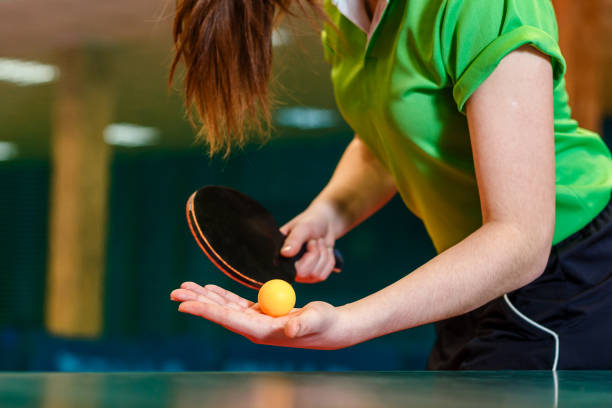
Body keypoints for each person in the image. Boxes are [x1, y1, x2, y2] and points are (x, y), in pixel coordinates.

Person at [168, 0, 612, 369]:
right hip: (469, 278)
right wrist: (327, 215)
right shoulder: (344, 16)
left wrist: (348, 324)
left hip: (570, 273)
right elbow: (385, 138)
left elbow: (521, 238)